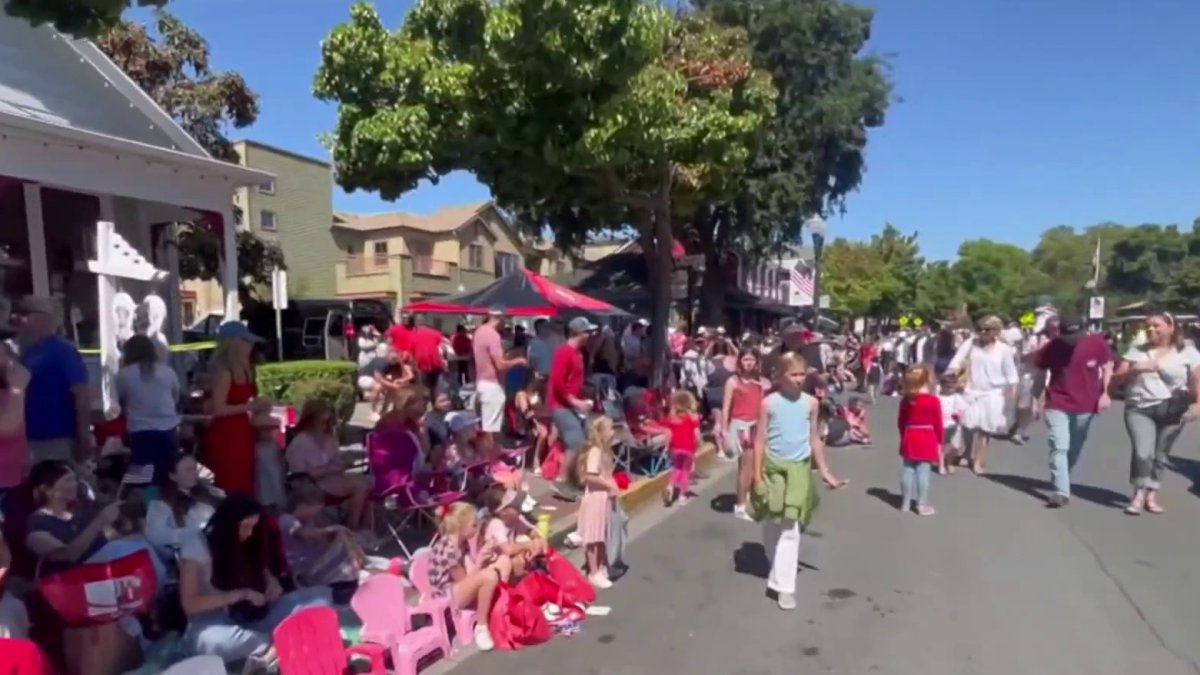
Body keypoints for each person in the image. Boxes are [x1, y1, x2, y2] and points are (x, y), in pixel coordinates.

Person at [178, 494, 332, 665]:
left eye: (252, 527)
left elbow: (261, 569)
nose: (249, 533)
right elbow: (189, 604)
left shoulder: (250, 540)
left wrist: (271, 582)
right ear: (228, 524)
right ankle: (276, 645)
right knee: (223, 642)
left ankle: (272, 647)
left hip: (254, 617)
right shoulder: (197, 546)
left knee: (321, 597)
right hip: (213, 624)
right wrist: (240, 594)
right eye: (245, 527)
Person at [751, 352, 843, 610]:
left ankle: (784, 587)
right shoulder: (769, 403)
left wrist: (825, 471)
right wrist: (757, 476)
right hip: (773, 469)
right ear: (780, 377)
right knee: (772, 520)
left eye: (802, 374)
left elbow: (814, 439)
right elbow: (760, 441)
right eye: (793, 374)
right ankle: (774, 557)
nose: (799, 379)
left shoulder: (811, 403)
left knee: (790, 528)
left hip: (799, 469)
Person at [1111, 312, 1200, 515]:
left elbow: (1197, 380)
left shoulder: (1187, 352)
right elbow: (1116, 380)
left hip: (1173, 409)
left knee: (1160, 455)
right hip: (1139, 408)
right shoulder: (1137, 351)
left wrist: (1197, 405)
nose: (1151, 329)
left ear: (1171, 327)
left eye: (1156, 325)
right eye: (1148, 326)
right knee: (1143, 452)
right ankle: (1138, 493)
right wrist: (1135, 370)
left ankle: (1152, 492)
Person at [1034, 315, 1113, 507]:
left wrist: (1105, 393)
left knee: (1074, 447)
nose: (1072, 340)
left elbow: (1107, 365)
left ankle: (1062, 476)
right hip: (1058, 402)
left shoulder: (1096, 343)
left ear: (1083, 331)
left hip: (1086, 403)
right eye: (1068, 336)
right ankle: (1061, 491)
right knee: (1059, 446)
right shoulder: (1053, 347)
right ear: (1061, 333)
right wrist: (1035, 399)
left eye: (1076, 335)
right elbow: (1041, 371)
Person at [427, 502, 511, 651]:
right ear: (461, 526)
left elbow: (472, 572)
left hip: (459, 589)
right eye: (473, 525)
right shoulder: (448, 549)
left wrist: (483, 557)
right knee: (489, 576)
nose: (477, 526)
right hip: (447, 598)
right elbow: (465, 580)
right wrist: (482, 560)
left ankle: (501, 610)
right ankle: (481, 626)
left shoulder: (460, 544)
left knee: (502, 562)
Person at [18, 296, 93, 463]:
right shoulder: (27, 353)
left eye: (26, 314)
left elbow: (81, 394)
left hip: (59, 439)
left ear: (43, 318)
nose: (21, 320)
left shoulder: (65, 351)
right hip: (30, 439)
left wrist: (84, 435)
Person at [946, 316, 1019, 475]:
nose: (983, 332)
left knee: (985, 428)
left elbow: (1012, 375)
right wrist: (952, 372)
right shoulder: (971, 343)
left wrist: (1012, 399)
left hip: (993, 393)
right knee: (967, 424)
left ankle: (979, 458)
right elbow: (957, 360)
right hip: (971, 390)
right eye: (981, 329)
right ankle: (966, 453)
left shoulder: (1004, 350)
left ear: (996, 332)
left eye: (987, 330)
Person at [285, 399, 372, 530]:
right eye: (322, 422)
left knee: (369, 483)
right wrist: (328, 470)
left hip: (332, 478)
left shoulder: (328, 439)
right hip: (312, 484)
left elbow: (337, 463)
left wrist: (342, 465)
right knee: (360, 487)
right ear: (310, 420)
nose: (325, 426)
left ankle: (365, 528)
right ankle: (353, 528)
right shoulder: (299, 443)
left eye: (328, 422)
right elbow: (300, 475)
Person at [205, 322, 262, 495]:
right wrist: (249, 406)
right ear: (234, 343)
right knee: (230, 480)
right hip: (226, 432)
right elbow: (218, 409)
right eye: (246, 341)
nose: (251, 346)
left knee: (245, 476)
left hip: (242, 429)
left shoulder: (245, 370)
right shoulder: (224, 372)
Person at [116, 334, 181, 482]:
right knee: (169, 476)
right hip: (168, 431)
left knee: (143, 479)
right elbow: (176, 396)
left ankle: (147, 502)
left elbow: (119, 400)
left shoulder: (124, 375)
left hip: (140, 433)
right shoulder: (167, 372)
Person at [546, 317, 597, 499]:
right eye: (587, 332)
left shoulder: (578, 354)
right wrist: (574, 401)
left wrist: (582, 397)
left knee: (583, 440)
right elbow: (558, 381)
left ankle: (573, 480)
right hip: (560, 404)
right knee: (575, 441)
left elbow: (574, 381)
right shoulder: (563, 352)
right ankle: (561, 480)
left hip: (571, 404)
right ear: (578, 333)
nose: (590, 335)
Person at [720, 348, 767, 521]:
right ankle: (740, 505)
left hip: (757, 425)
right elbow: (726, 408)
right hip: (741, 426)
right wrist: (724, 432)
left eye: (752, 359)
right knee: (746, 466)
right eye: (745, 359)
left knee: (756, 464)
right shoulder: (733, 381)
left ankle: (746, 498)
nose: (749, 363)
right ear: (739, 361)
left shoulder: (762, 382)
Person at [146, 454, 221, 559]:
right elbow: (155, 535)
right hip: (190, 555)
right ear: (173, 476)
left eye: (194, 469)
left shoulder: (209, 494)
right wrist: (192, 535)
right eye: (188, 470)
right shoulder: (162, 504)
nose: (194, 473)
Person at [473, 308, 527, 451]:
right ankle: (492, 462)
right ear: (500, 318)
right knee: (492, 428)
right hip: (493, 384)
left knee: (486, 425)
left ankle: (488, 458)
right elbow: (500, 365)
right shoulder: (493, 335)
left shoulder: (479, 332)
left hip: (482, 382)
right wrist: (518, 361)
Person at [575, 416, 620, 589]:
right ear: (601, 433)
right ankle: (593, 571)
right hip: (595, 498)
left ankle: (600, 566)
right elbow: (590, 476)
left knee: (602, 535)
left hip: (604, 498)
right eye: (610, 429)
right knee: (593, 537)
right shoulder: (595, 451)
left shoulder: (605, 451)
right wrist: (608, 485)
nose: (613, 432)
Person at [897, 365, 942, 516]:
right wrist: (939, 441)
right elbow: (938, 423)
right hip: (927, 435)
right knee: (923, 472)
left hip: (910, 435)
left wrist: (904, 436)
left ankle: (905, 502)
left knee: (907, 470)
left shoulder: (906, 401)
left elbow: (901, 422)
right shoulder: (933, 400)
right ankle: (921, 504)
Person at [661, 390, 701, 507]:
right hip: (688, 449)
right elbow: (697, 435)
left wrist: (667, 446)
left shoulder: (672, 419)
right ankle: (682, 495)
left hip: (675, 449)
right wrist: (699, 445)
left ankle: (670, 486)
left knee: (676, 468)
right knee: (685, 472)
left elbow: (668, 434)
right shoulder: (693, 419)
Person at [0, 348, 30, 496]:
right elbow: (7, 427)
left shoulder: (7, 391)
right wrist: (18, 388)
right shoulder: (15, 390)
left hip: (14, 478)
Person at [937, 374, 967, 475]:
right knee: (942, 446)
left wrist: (959, 415)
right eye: (947, 386)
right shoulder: (938, 397)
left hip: (955, 425)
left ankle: (949, 461)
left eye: (952, 386)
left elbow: (962, 408)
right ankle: (941, 464)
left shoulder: (957, 397)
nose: (950, 389)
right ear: (941, 385)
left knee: (955, 446)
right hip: (942, 424)